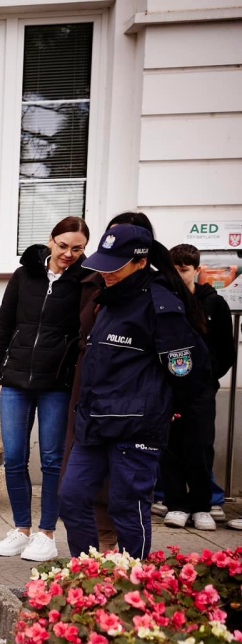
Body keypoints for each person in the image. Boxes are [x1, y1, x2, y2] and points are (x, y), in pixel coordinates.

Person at [58, 224, 209, 560]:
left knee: (128, 509)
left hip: (136, 429)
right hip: (94, 424)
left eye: (115, 266)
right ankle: (88, 576)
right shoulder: (108, 298)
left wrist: (166, 407)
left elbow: (185, 371)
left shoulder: (161, 306)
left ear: (141, 263)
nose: (106, 273)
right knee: (71, 498)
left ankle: (131, 585)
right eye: (103, 264)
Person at [0, 216, 90, 563]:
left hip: (56, 384)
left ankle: (47, 534)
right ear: (51, 241)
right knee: (13, 459)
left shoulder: (87, 280)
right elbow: (4, 325)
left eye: (77, 248)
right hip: (15, 380)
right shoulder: (24, 274)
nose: (68, 254)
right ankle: (21, 529)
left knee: (52, 460)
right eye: (63, 246)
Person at [160, 243, 235, 531]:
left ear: (197, 270)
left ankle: (202, 505)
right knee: (171, 446)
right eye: (174, 271)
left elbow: (225, 351)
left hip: (202, 390)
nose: (179, 276)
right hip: (169, 388)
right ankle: (176, 504)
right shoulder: (163, 302)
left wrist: (208, 377)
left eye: (184, 270)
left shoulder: (214, 303)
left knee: (200, 446)